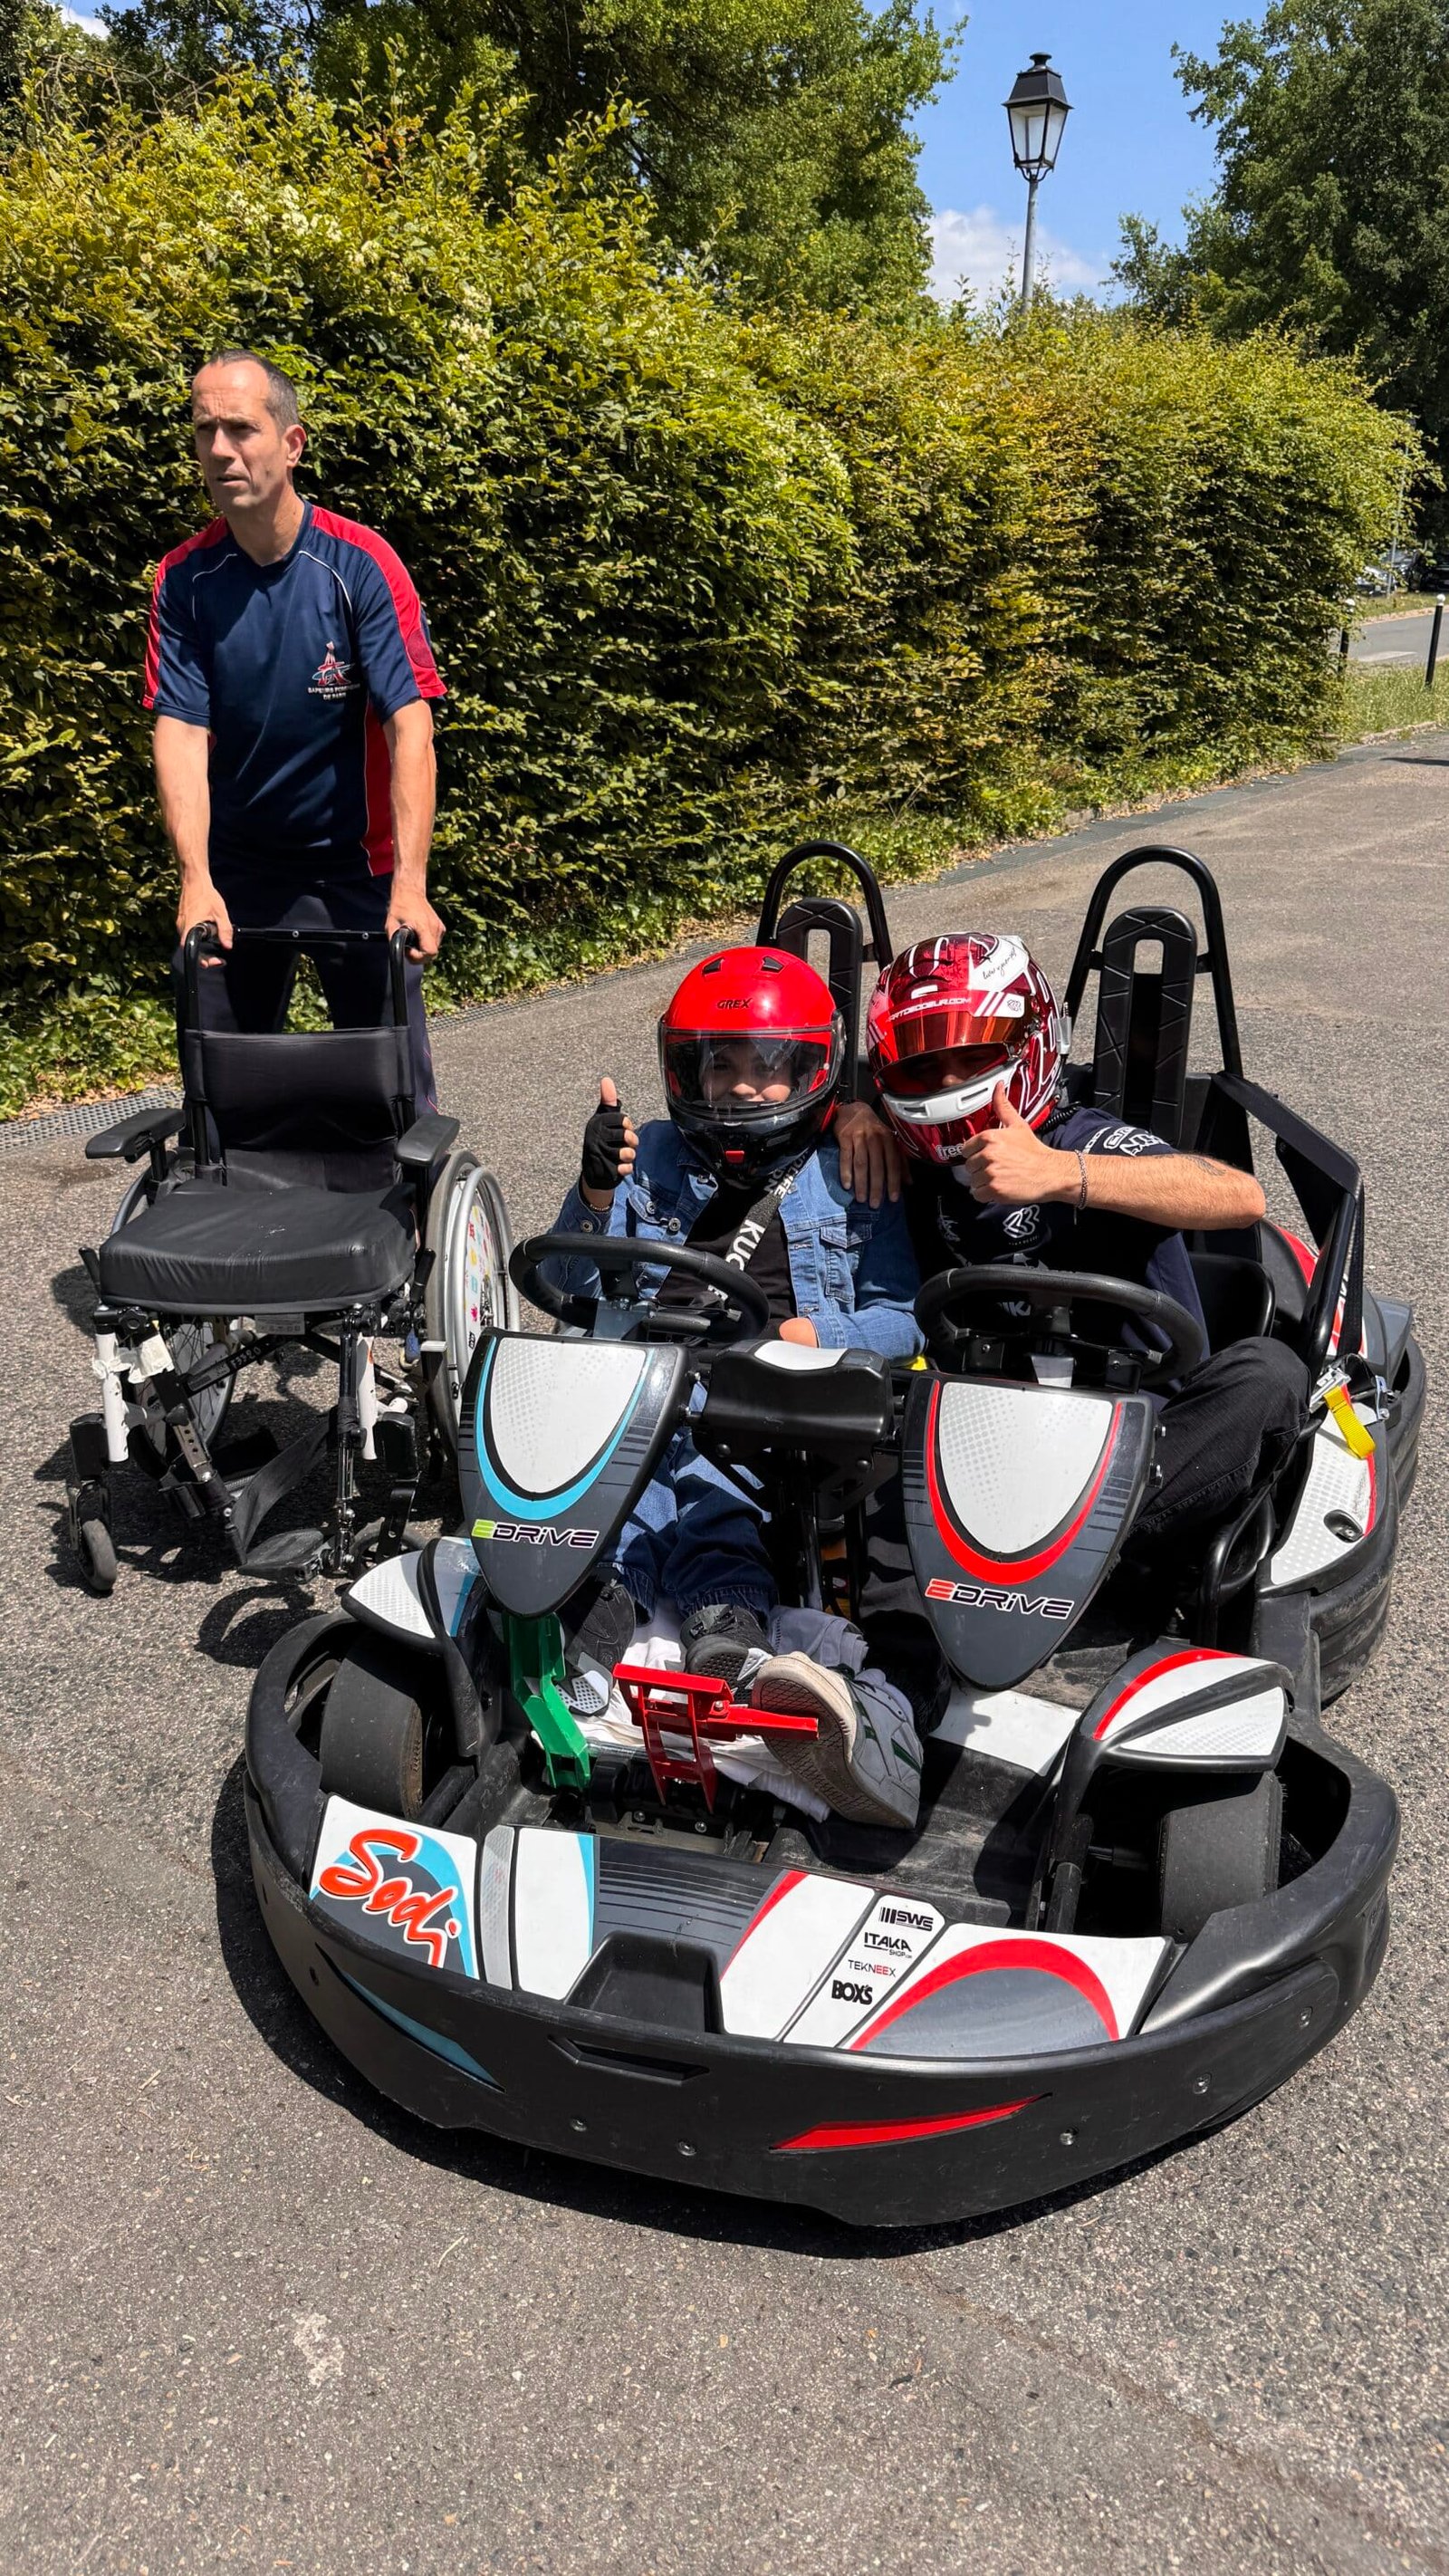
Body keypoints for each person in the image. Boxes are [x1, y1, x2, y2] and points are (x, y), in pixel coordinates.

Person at [550, 944, 927, 1828]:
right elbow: (569, 1281)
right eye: (720, 1066)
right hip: (652, 1374)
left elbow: (903, 1318)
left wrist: (810, 1337)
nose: (744, 1087)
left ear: (810, 1071)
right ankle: (611, 1614)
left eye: (768, 1067)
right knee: (630, 1459)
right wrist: (596, 1193)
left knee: (707, 1467)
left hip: (774, 1392)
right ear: (686, 1071)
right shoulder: (652, 1158)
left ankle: (716, 1618)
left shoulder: (849, 1168)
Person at [864, 931, 1309, 1591]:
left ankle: (1075, 1547)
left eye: (973, 1056)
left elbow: (1240, 1197)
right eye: (924, 1069)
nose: (949, 1085)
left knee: (1271, 1372)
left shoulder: (1087, 1141)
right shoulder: (904, 1164)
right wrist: (849, 1117)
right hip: (981, 1439)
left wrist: (1060, 1174)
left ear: (1031, 1045)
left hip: (1140, 1440)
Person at [145, 349, 446, 1105]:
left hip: (356, 866)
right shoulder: (184, 580)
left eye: (241, 429)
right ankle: (235, 1177)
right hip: (240, 868)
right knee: (224, 1095)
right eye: (205, 430)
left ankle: (405, 1180)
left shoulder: (362, 565)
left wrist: (411, 888)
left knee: (391, 1099)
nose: (221, 450)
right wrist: (195, 882)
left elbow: (409, 726)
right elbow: (181, 732)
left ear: (292, 444)